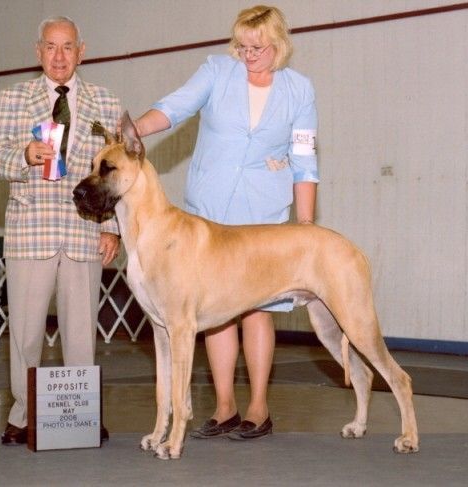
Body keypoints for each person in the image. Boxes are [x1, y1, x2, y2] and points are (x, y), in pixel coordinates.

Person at [133, 5, 318, 440]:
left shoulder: (299, 89)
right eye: (242, 46)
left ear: (278, 45)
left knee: (258, 309)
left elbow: (305, 159)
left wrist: (305, 226)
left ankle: (258, 407)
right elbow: (174, 108)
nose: (248, 55)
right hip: (210, 208)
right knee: (214, 314)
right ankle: (224, 407)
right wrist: (134, 130)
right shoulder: (217, 71)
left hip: (263, 213)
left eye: (257, 48)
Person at [0, 16, 121, 446]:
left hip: (84, 233)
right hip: (31, 231)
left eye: (67, 47)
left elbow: (117, 172)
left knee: (81, 335)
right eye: (50, 46)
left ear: (82, 51)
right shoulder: (13, 98)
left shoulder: (107, 102)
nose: (59, 56)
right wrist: (24, 154)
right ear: (38, 51)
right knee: (25, 335)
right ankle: (23, 415)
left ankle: (82, 414)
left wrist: (112, 227)